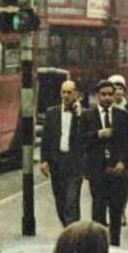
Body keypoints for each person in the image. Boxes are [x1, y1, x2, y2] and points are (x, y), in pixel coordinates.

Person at [80, 80, 128, 246]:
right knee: (98, 212)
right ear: (97, 96)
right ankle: (99, 246)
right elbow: (80, 140)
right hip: (97, 171)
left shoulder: (123, 116)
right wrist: (98, 134)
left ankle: (116, 245)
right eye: (103, 95)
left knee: (116, 211)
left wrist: (123, 162)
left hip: (118, 172)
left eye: (110, 94)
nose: (107, 98)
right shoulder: (87, 115)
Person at [40, 80, 84, 227]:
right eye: (63, 92)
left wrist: (79, 115)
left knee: (72, 201)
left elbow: (85, 137)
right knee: (60, 201)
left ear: (76, 94)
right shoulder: (52, 113)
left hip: (74, 165)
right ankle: (68, 229)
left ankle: (72, 235)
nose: (65, 95)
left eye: (69, 92)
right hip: (57, 164)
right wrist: (44, 160)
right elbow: (46, 138)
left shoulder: (82, 114)